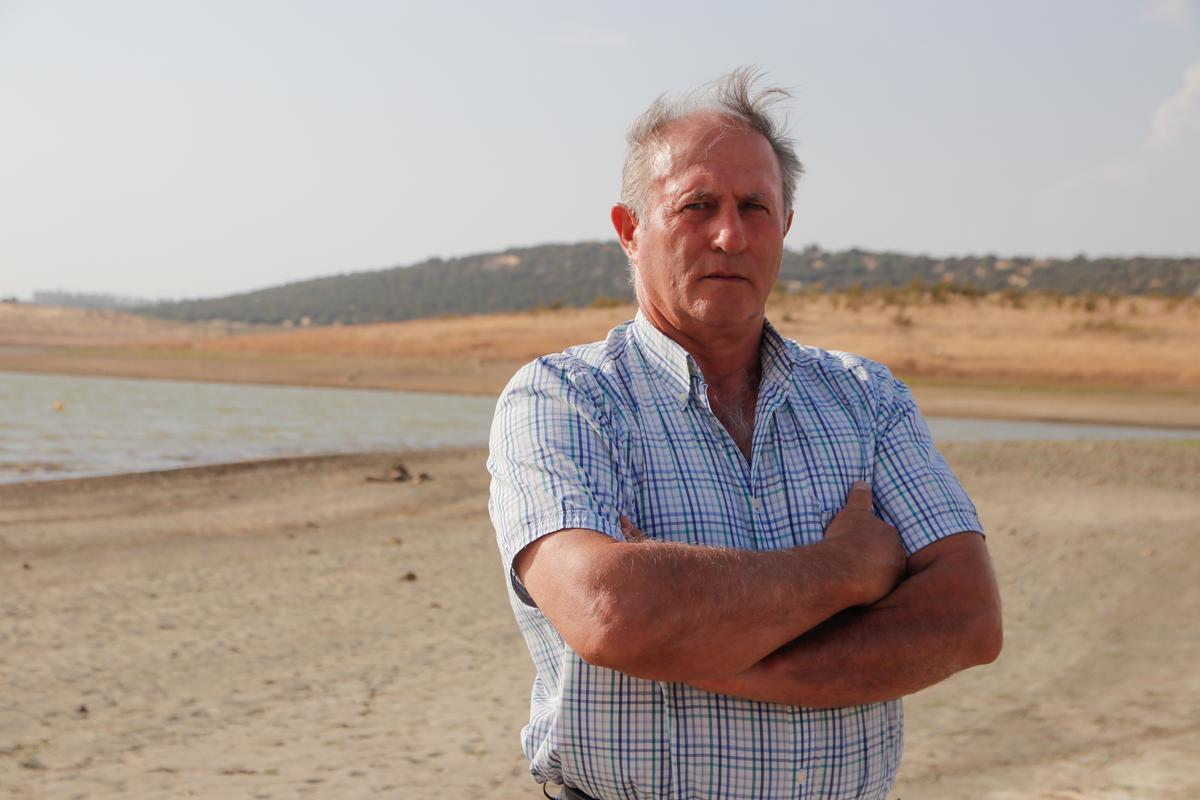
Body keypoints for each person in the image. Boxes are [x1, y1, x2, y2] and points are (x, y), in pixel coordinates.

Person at [488, 68, 1002, 800]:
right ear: (631, 231)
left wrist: (713, 653)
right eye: (697, 205)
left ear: (785, 226)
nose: (730, 234)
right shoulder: (564, 398)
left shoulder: (867, 400)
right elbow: (611, 611)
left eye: (755, 207)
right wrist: (844, 572)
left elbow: (968, 619)